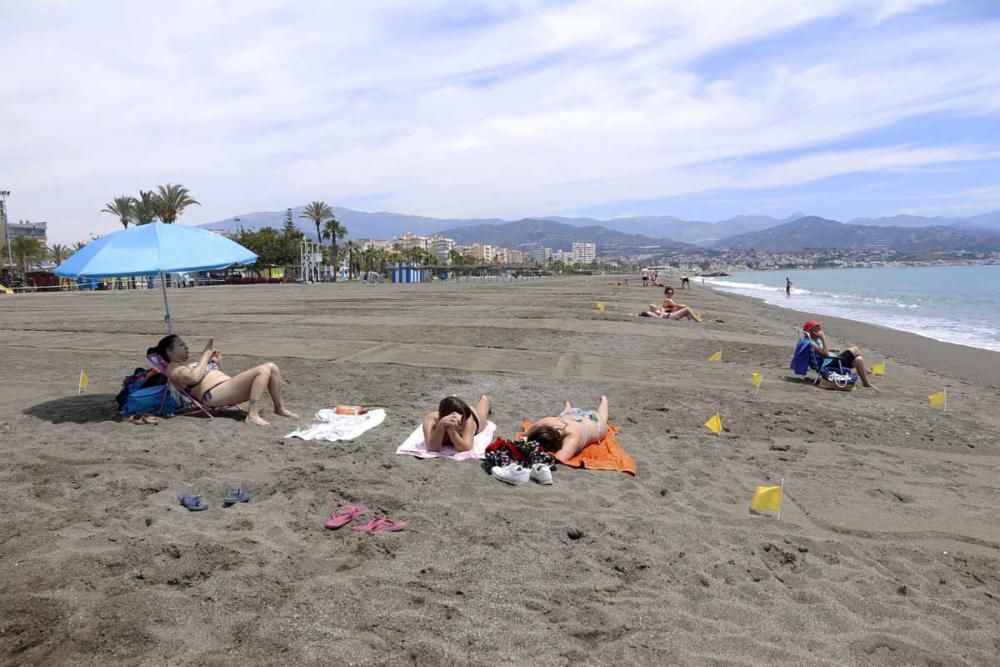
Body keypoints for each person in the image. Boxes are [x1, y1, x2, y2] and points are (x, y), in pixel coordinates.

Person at [148, 335, 298, 426]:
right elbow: (193, 378)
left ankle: (279, 408)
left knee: (272, 367)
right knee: (263, 369)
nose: (186, 347)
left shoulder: (188, 365)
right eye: (181, 345)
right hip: (213, 394)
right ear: (169, 351)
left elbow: (217, 374)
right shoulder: (173, 368)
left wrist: (216, 362)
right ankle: (252, 415)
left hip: (225, 387)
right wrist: (205, 357)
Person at [525, 396, 609, 463]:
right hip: (570, 416)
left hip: (593, 422)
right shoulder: (549, 422)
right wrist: (526, 437)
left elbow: (560, 457)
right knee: (566, 412)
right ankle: (568, 406)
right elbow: (532, 430)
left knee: (602, 417)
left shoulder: (572, 436)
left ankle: (604, 401)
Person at [802, 320, 876, 389]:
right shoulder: (812, 343)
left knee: (859, 360)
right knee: (855, 349)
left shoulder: (811, 340)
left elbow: (820, 352)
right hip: (828, 363)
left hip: (829, 360)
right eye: (818, 329)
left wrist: (830, 349)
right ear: (812, 331)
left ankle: (866, 383)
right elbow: (826, 354)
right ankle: (866, 371)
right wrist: (823, 338)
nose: (820, 330)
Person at [421, 395, 491, 452]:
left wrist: (452, 431)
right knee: (451, 405)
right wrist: (441, 425)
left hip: (472, 415)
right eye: (460, 423)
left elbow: (466, 447)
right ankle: (453, 399)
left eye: (462, 422)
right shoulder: (431, 420)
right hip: (452, 413)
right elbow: (432, 447)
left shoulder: (467, 419)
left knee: (482, 413)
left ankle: (485, 399)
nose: (462, 426)